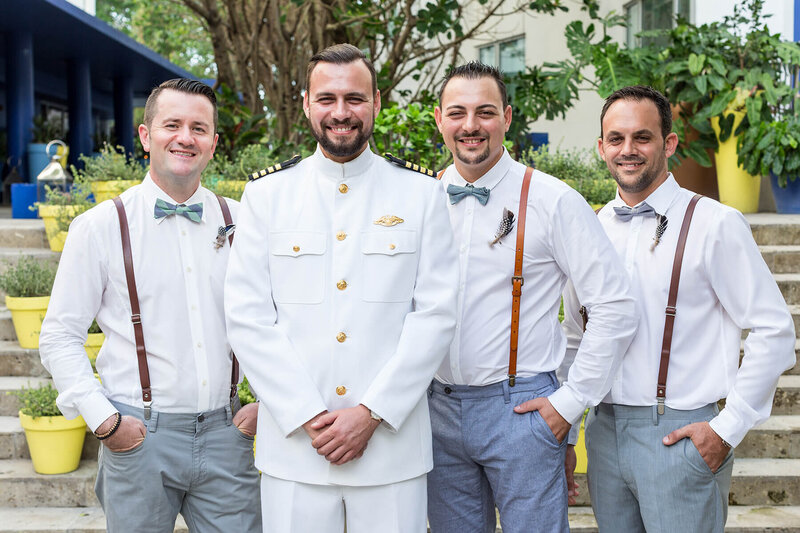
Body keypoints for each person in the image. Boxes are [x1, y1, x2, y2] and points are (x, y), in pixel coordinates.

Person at [224, 43, 459, 533]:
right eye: (326, 98)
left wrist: (371, 414)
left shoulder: (421, 194)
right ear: (307, 104)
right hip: (294, 453)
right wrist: (308, 414)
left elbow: (435, 316)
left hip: (391, 453)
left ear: (376, 102)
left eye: (354, 98)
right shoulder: (267, 196)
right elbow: (247, 318)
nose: (341, 112)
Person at [562, 85, 796, 532]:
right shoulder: (590, 228)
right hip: (605, 433)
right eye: (616, 139)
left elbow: (775, 331)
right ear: (601, 147)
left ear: (668, 143)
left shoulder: (715, 223)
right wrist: (570, 434)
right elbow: (577, 337)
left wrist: (727, 428)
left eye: (642, 137)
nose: (628, 150)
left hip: (682, 433)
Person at [38, 78, 261, 532]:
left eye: (199, 128)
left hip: (227, 434)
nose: (185, 137)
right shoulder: (98, 227)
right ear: (145, 136)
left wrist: (265, 407)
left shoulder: (244, 221)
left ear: (213, 143)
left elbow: (276, 320)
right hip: (138, 439)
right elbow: (59, 335)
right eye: (172, 125)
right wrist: (105, 421)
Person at [427, 61, 637, 533]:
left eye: (485, 111)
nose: (471, 125)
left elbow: (615, 305)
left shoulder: (552, 199)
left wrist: (571, 401)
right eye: (457, 112)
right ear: (439, 119)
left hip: (521, 410)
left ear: (506, 117)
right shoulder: (421, 199)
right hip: (436, 410)